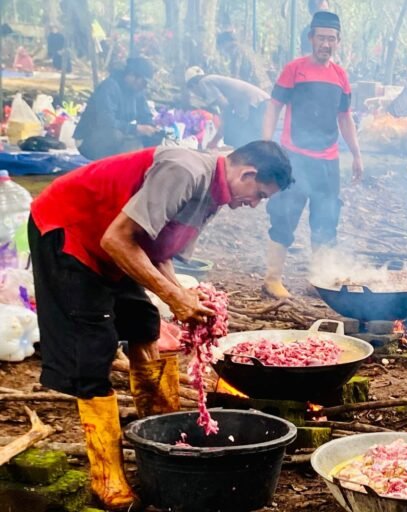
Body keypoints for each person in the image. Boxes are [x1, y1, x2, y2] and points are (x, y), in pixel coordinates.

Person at [28, 142, 293, 509]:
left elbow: (160, 254)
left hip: (117, 244)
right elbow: (116, 239)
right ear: (247, 174)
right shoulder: (184, 171)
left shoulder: (212, 198)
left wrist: (185, 295)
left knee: (145, 325)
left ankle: (161, 435)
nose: (255, 203)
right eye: (259, 195)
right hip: (71, 232)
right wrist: (174, 297)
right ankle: (107, 480)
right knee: (90, 350)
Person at [262, 11, 363, 298]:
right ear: (310, 38)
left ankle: (318, 279)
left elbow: (345, 117)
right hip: (294, 158)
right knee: (283, 215)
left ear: (338, 42)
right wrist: (266, 143)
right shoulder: (294, 69)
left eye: (331, 39)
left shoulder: (340, 77)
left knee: (326, 220)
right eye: (321, 38)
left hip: (328, 161)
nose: (326, 44)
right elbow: (274, 105)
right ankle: (272, 279)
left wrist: (356, 153)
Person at [74, 57, 161, 161]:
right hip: (89, 139)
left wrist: (151, 128)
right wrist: (136, 128)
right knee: (114, 135)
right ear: (132, 76)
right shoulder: (109, 87)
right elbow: (106, 122)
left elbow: (145, 115)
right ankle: (102, 167)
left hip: (117, 132)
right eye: (144, 82)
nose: (145, 86)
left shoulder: (137, 92)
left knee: (152, 138)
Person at [185, 66, 270, 149]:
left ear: (193, 85)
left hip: (256, 104)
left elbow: (225, 108)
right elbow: (227, 109)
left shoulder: (204, 82)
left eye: (193, 91)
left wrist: (215, 140)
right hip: (261, 102)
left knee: (247, 137)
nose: (196, 94)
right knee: (251, 137)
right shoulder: (212, 79)